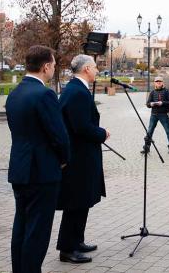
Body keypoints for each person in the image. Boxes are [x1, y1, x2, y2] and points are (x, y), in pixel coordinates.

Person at [6, 45, 71, 273]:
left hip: (20, 169)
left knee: (21, 227)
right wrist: (64, 160)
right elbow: (59, 135)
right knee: (37, 232)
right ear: (45, 67)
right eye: (53, 65)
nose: (54, 69)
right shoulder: (44, 94)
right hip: (42, 172)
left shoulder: (15, 93)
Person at [56, 55, 110, 264]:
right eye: (95, 67)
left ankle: (77, 240)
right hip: (78, 158)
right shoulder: (77, 92)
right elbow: (80, 127)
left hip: (82, 156)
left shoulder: (76, 89)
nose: (97, 71)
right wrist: (101, 133)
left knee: (82, 201)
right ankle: (67, 249)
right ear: (87, 68)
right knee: (76, 202)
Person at [145, 77, 169, 154]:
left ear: (162, 82)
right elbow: (148, 104)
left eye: (160, 81)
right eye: (156, 81)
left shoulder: (167, 91)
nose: (158, 82)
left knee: (168, 131)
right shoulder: (152, 92)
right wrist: (150, 104)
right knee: (149, 131)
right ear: (154, 83)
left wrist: (163, 103)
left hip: (163, 114)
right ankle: (147, 147)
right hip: (154, 114)